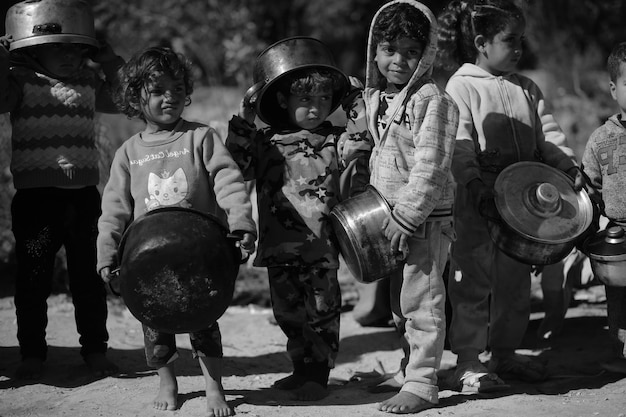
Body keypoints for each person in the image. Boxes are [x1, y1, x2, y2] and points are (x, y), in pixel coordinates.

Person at [96, 47, 257, 414]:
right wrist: (106, 251)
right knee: (155, 324)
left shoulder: (200, 138)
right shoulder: (128, 153)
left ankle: (214, 388)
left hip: (200, 255)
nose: (169, 96)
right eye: (157, 90)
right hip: (147, 260)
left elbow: (228, 179)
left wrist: (241, 221)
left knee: (204, 322)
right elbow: (114, 209)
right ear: (134, 97)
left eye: (176, 87)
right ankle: (167, 383)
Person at [437, 0, 585, 392]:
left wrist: (569, 167)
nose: (519, 48)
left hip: (523, 209)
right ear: (482, 43)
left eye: (522, 40)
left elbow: (548, 136)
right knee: (471, 282)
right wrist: (473, 183)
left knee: (516, 283)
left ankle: (504, 352)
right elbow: (460, 143)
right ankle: (468, 361)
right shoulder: (462, 85)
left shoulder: (527, 88)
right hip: (477, 204)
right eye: (510, 40)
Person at [226, 38, 371, 401]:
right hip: (278, 246)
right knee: (288, 312)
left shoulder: (334, 141)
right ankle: (299, 369)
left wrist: (354, 99)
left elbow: (361, 140)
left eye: (324, 99)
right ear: (282, 101)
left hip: (321, 249)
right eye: (305, 100)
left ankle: (317, 375)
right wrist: (244, 117)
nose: (315, 108)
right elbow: (237, 166)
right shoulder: (264, 141)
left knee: (322, 310)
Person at [0, 24, 124, 379]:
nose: (70, 56)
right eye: (59, 48)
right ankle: (33, 354)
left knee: (88, 279)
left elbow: (124, 100)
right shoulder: (19, 78)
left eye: (77, 48)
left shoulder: (87, 80)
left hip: (83, 198)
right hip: (35, 201)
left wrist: (110, 62)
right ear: (34, 48)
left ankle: (96, 351)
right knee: (33, 280)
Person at [353, 1, 459, 413]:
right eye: (389, 49)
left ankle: (422, 384)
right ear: (374, 52)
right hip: (389, 220)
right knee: (400, 307)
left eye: (411, 51)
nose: (398, 60)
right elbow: (386, 152)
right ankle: (408, 368)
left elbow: (431, 167)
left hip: (423, 221)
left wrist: (407, 215)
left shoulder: (433, 101)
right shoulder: (380, 98)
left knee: (423, 303)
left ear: (427, 54)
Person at [580, 41, 626, 375]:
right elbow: (590, 189)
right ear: (614, 88)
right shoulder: (600, 139)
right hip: (619, 236)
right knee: (620, 301)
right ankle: (622, 353)